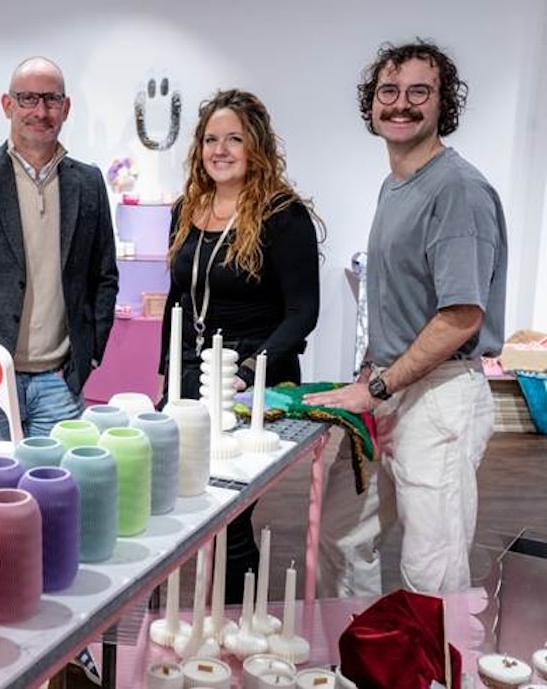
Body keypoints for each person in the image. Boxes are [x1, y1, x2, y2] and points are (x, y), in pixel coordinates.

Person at [306, 40, 508, 596]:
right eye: (388, 91)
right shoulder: (395, 185)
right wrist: (371, 377)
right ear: (371, 103)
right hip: (389, 387)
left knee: (432, 570)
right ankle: (358, 647)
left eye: (420, 92)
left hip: (439, 396)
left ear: (444, 104)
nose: (401, 104)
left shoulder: (458, 189)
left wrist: (376, 387)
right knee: (342, 537)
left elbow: (461, 316)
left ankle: (435, 656)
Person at [158, 89, 322, 599]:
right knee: (181, 498)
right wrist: (168, 373)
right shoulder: (188, 207)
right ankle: (181, 618)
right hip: (194, 373)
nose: (220, 150)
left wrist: (250, 370)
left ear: (256, 146)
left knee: (229, 511)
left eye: (234, 139)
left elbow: (302, 313)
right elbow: (178, 298)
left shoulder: (282, 214)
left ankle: (230, 622)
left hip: (254, 377)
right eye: (211, 139)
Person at [0, 56, 118, 438]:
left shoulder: (89, 183)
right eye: (28, 98)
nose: (40, 111)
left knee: (57, 478)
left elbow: (104, 274)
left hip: (59, 384)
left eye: (51, 99)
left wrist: (91, 354)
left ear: (66, 108)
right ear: (7, 104)